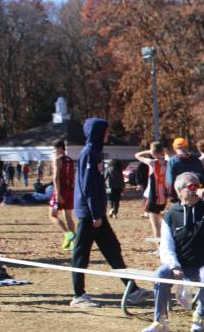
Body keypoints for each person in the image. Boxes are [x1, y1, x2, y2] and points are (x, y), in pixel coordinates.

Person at [70, 118, 151, 308]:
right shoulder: (89, 153)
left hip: (97, 213)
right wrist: (95, 214)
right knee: (81, 254)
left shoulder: (96, 152)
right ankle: (78, 295)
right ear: (97, 132)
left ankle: (132, 290)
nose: (108, 134)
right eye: (105, 131)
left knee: (112, 249)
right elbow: (88, 186)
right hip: (90, 214)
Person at [141, 172, 204, 332]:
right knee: (161, 273)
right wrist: (174, 266)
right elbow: (166, 246)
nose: (197, 190)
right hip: (182, 264)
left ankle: (199, 317)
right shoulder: (171, 215)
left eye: (198, 186)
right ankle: (160, 321)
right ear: (180, 191)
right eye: (192, 187)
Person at [135, 142, 169, 238]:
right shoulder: (168, 162)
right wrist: (164, 152)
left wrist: (148, 151)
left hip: (152, 196)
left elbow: (137, 155)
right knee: (161, 221)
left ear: (153, 152)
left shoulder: (152, 163)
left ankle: (158, 245)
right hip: (163, 197)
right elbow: (167, 156)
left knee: (155, 224)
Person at [49, 139, 77, 250]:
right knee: (68, 216)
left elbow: (56, 177)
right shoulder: (70, 160)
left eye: (54, 149)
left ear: (60, 148)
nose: (54, 152)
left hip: (61, 190)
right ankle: (73, 243)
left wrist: (57, 193)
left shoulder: (57, 160)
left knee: (52, 215)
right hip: (70, 190)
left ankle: (67, 234)